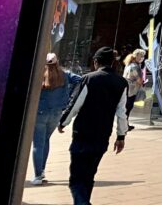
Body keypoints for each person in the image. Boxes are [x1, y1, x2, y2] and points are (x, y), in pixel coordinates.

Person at [58, 47, 129, 205]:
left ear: (96, 61)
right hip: (103, 135)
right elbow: (122, 112)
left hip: (83, 133)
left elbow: (75, 104)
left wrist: (64, 121)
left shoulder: (89, 78)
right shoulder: (121, 83)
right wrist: (121, 136)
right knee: (89, 175)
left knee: (76, 178)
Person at [30, 53, 81, 185]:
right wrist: (69, 97)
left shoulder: (39, 74)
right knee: (45, 140)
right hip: (57, 112)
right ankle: (41, 172)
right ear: (57, 62)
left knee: (38, 143)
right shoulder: (65, 74)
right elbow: (80, 80)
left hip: (40, 112)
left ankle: (37, 175)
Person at [122, 49, 147, 129]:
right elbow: (139, 79)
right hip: (132, 90)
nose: (142, 58)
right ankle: (124, 125)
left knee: (126, 107)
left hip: (126, 88)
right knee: (128, 107)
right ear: (137, 56)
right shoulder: (135, 66)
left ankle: (124, 124)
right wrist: (142, 83)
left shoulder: (129, 64)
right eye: (141, 56)